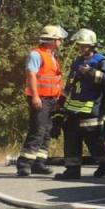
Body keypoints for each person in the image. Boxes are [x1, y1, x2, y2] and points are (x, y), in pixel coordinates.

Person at [55, 28, 105, 180]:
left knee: (93, 141)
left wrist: (92, 73)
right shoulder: (77, 61)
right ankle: (72, 170)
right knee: (71, 136)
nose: (81, 48)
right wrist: (60, 104)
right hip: (73, 107)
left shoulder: (101, 61)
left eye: (85, 45)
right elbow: (69, 84)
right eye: (80, 45)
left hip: (91, 108)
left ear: (92, 46)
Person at [16, 25, 66, 177]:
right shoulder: (36, 54)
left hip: (51, 99)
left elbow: (54, 79)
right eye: (59, 39)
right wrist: (35, 96)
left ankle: (39, 163)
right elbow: (31, 75)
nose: (61, 41)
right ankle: (24, 164)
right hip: (40, 98)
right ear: (52, 40)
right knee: (37, 130)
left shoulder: (52, 55)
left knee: (47, 131)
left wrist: (58, 99)